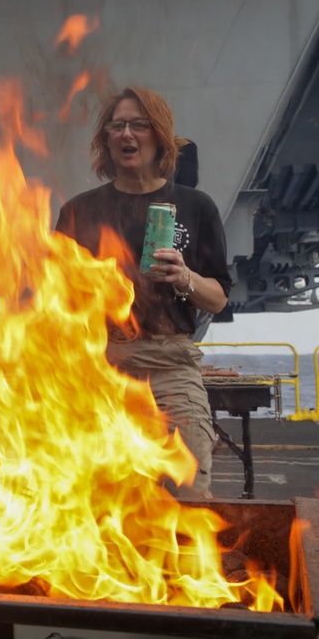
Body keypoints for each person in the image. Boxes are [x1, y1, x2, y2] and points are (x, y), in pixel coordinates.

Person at [55, 86, 232, 499]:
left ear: (160, 137)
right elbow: (56, 302)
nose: (126, 135)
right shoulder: (79, 211)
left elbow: (219, 297)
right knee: (94, 505)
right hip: (101, 370)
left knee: (186, 492)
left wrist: (185, 276)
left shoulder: (195, 206)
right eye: (117, 126)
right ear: (106, 140)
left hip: (171, 365)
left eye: (138, 125)